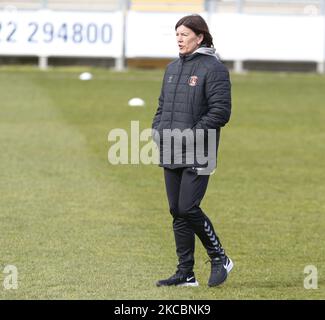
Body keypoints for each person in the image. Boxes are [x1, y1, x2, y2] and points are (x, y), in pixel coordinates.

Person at [151, 14, 233, 287]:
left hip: (200, 150)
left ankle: (220, 256)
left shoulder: (214, 68)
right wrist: (158, 130)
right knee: (176, 209)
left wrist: (191, 135)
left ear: (200, 37)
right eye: (177, 34)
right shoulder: (172, 68)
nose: (179, 39)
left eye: (185, 34)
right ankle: (186, 273)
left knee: (188, 207)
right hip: (171, 148)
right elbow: (162, 106)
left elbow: (221, 111)